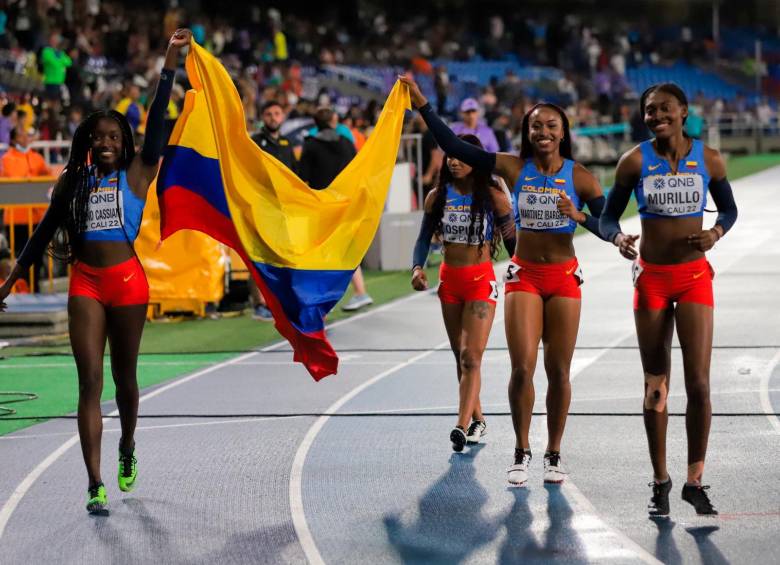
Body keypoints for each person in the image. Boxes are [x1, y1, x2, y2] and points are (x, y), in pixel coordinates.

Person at [0, 29, 190, 515]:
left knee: (125, 378)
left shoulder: (140, 171)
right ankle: (94, 482)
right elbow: (42, 235)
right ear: (86, 142)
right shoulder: (73, 181)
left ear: (124, 142)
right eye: (98, 137)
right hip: (86, 283)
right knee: (90, 382)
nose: (106, 142)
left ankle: (127, 443)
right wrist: (8, 281)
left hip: (128, 283)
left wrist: (168, 66)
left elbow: (157, 120)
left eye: (113, 136)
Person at [400, 75, 608, 485]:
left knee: (559, 372)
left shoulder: (581, 176)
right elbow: (457, 147)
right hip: (524, 276)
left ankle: (553, 452)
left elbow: (606, 224)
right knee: (521, 369)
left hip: (564, 276)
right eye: (536, 126)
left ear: (563, 132)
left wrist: (582, 218)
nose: (544, 132)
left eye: (551, 126)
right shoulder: (514, 167)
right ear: (527, 133)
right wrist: (422, 104)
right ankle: (522, 449)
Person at [599, 83, 738, 516]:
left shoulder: (709, 159)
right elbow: (606, 216)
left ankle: (694, 481)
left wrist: (714, 233)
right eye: (648, 110)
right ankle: (661, 479)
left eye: (664, 109)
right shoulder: (634, 161)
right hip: (653, 281)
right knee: (656, 385)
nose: (655, 115)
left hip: (695, 276)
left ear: (683, 112)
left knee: (699, 384)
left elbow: (729, 211)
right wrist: (619, 236)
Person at [411, 134, 515, 452]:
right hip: (450, 283)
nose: (454, 161)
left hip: (480, 282)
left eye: (461, 156)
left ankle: (461, 424)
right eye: (450, 156)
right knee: (461, 356)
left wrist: (524, 270)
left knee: (472, 356)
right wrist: (417, 267)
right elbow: (423, 238)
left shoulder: (493, 196)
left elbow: (512, 240)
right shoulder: (436, 197)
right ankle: (478, 420)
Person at [299, 107, 374, 311]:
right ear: (334, 120)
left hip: (323, 206)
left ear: (315, 123)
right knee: (344, 250)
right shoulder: (347, 144)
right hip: (346, 203)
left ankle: (323, 301)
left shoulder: (311, 146)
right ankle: (360, 291)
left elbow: (302, 177)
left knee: (322, 254)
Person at [250, 100, 298, 320]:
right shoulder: (255, 142)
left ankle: (281, 300)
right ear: (262, 117)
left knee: (284, 254)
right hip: (261, 206)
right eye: (268, 113)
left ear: (283, 116)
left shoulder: (287, 144)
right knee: (259, 254)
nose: (273, 117)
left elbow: (294, 176)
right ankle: (259, 303)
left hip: (284, 208)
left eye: (277, 113)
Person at [1, 126, 53, 292]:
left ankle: (34, 289)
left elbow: (48, 177)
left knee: (36, 258)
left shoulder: (37, 157)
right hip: (16, 219)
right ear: (15, 139)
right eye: (22, 135)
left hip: (36, 218)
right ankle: (19, 289)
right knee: (17, 258)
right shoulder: (6, 159)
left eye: (27, 135)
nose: (26, 138)